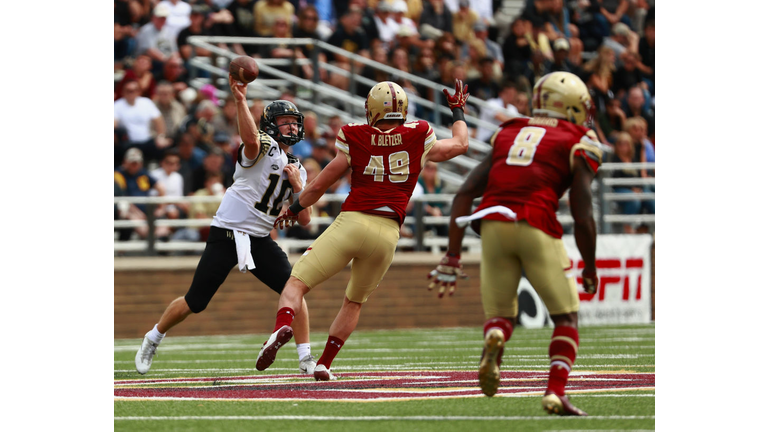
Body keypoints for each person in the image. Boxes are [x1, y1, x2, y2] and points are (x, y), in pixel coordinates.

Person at [255, 80, 471, 381]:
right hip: (387, 234)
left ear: (371, 109)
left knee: (296, 285)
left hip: (353, 222)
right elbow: (461, 144)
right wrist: (457, 109)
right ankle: (324, 364)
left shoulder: (355, 134)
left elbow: (320, 184)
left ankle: (282, 324)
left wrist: (292, 210)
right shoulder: (420, 134)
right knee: (354, 301)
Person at [428, 71, 602, 416]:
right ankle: (555, 392)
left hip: (492, 223)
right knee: (566, 317)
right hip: (534, 223)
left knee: (500, 315)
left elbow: (464, 193)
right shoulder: (579, 137)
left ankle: (495, 339)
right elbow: (582, 213)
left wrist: (452, 255)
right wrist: (591, 266)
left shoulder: (508, 130)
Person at [134, 76, 317, 377]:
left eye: (294, 123)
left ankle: (306, 357)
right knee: (196, 301)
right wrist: (241, 99)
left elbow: (306, 219)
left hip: (259, 238)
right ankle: (153, 337)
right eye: (285, 122)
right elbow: (250, 139)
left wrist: (297, 188)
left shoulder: (297, 166)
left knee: (293, 289)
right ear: (271, 125)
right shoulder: (263, 146)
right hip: (227, 233)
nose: (293, 128)